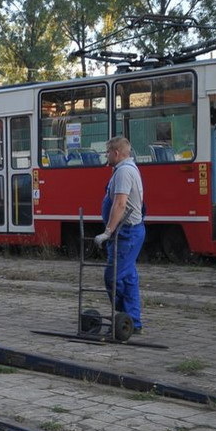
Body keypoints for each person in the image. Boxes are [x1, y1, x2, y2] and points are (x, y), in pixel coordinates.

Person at [93, 136, 145, 333]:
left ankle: (125, 321)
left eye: (107, 152)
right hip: (128, 232)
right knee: (128, 278)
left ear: (116, 153)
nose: (106, 156)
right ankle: (133, 322)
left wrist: (107, 232)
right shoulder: (127, 169)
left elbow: (120, 204)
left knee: (113, 277)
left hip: (126, 234)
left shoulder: (123, 172)